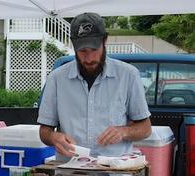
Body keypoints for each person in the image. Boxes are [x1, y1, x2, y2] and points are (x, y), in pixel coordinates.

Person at [38, 12, 151, 159]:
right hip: (70, 170)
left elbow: (145, 128)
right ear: (73, 44)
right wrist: (53, 138)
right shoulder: (56, 78)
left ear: (105, 40)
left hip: (115, 172)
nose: (89, 58)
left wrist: (124, 132)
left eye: (94, 50)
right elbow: (44, 131)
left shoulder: (128, 75)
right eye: (82, 51)